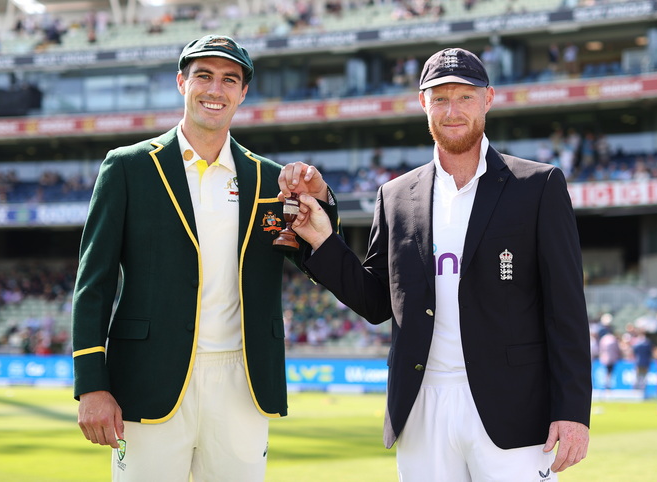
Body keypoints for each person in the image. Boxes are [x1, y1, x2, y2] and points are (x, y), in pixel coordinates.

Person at [283, 47, 591, 480]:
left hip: (514, 405)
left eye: (465, 97)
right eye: (441, 98)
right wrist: (321, 239)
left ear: (488, 99)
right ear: (423, 104)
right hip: (421, 404)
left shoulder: (538, 185)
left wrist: (573, 410)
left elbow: (566, 309)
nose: (453, 110)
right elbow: (376, 301)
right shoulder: (395, 196)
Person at [72, 34, 340, 481]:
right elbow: (92, 284)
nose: (215, 90)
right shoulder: (128, 167)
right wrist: (92, 385)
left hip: (243, 382)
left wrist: (322, 198)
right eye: (204, 76)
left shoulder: (270, 179)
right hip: (148, 379)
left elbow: (323, 261)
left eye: (229, 80)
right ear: (182, 83)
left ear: (242, 93)